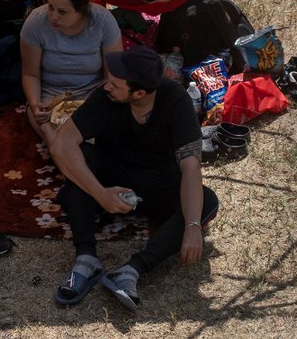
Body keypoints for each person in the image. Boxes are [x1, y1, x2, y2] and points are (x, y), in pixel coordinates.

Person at [49, 44, 219, 311]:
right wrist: (100, 194)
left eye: (115, 85)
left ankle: (131, 270)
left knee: (205, 201)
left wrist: (193, 227)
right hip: (111, 172)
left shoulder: (176, 101)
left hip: (157, 181)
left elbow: (190, 167)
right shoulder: (105, 97)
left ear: (139, 93)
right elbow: (62, 144)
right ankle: (86, 257)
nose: (107, 87)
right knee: (77, 163)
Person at [20, 0, 122, 146]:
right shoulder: (36, 22)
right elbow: (30, 74)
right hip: (51, 97)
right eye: (50, 7)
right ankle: (60, 145)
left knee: (102, 134)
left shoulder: (103, 21)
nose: (53, 16)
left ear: (82, 11)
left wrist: (92, 104)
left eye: (62, 12)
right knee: (62, 133)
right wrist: (36, 105)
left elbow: (112, 76)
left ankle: (61, 149)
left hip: (93, 93)